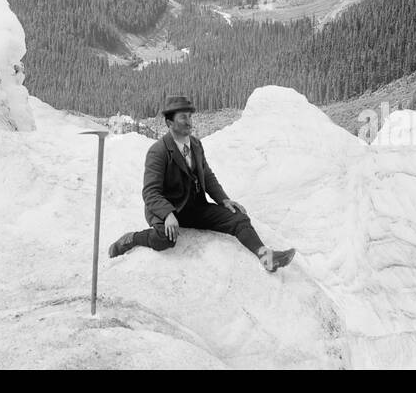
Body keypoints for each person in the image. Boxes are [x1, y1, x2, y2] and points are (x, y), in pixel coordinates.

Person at [108, 96, 296, 272]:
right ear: (169, 123)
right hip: (166, 210)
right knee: (165, 239)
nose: (189, 121)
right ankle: (132, 239)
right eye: (183, 117)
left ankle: (266, 257)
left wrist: (223, 199)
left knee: (237, 217)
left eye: (190, 116)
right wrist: (167, 215)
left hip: (193, 208)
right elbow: (150, 192)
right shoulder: (158, 152)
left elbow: (206, 174)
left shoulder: (196, 145)